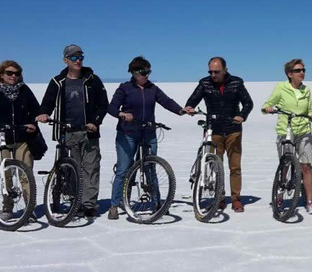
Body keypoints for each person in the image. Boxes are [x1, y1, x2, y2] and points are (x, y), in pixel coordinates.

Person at [106, 56, 187, 220]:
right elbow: (112, 107)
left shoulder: (152, 89)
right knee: (124, 169)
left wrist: (180, 110)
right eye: (144, 72)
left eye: (149, 72)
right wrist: (122, 114)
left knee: (150, 168)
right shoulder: (125, 88)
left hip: (148, 132)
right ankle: (115, 205)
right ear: (134, 73)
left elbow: (166, 101)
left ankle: (157, 204)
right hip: (127, 133)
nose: (147, 75)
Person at [37, 45, 109, 219]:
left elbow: (103, 104)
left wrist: (96, 121)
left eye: (81, 57)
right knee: (72, 169)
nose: (78, 60)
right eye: (74, 57)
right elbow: (48, 102)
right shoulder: (57, 82)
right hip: (67, 131)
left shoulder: (93, 79)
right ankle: (75, 201)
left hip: (89, 131)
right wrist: (44, 113)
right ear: (66, 60)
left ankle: (89, 205)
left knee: (91, 168)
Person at [184, 57, 253, 213]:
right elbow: (194, 99)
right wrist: (189, 107)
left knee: (234, 167)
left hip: (233, 130)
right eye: (211, 71)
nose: (213, 75)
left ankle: (236, 199)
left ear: (225, 70)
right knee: (216, 166)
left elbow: (248, 103)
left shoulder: (236, 82)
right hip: (213, 130)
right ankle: (219, 199)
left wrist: (242, 115)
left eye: (217, 72)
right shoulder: (204, 83)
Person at [262, 59, 312, 214]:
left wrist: (311, 116)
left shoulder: (306, 90)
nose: (302, 73)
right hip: (286, 130)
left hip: (303, 130)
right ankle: (280, 195)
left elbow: (308, 110)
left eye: (303, 70)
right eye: (298, 70)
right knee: (286, 165)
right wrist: (267, 108)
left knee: (306, 166)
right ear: (289, 74)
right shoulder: (281, 88)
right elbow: (268, 103)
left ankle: (309, 201)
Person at [0, 60, 40, 221]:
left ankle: (29, 208)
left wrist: (33, 123)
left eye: (16, 73)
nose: (13, 76)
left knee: (26, 174)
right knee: (6, 175)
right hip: (3, 139)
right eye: (9, 73)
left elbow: (35, 109)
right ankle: (7, 207)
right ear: (2, 75)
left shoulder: (24, 90)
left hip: (23, 138)